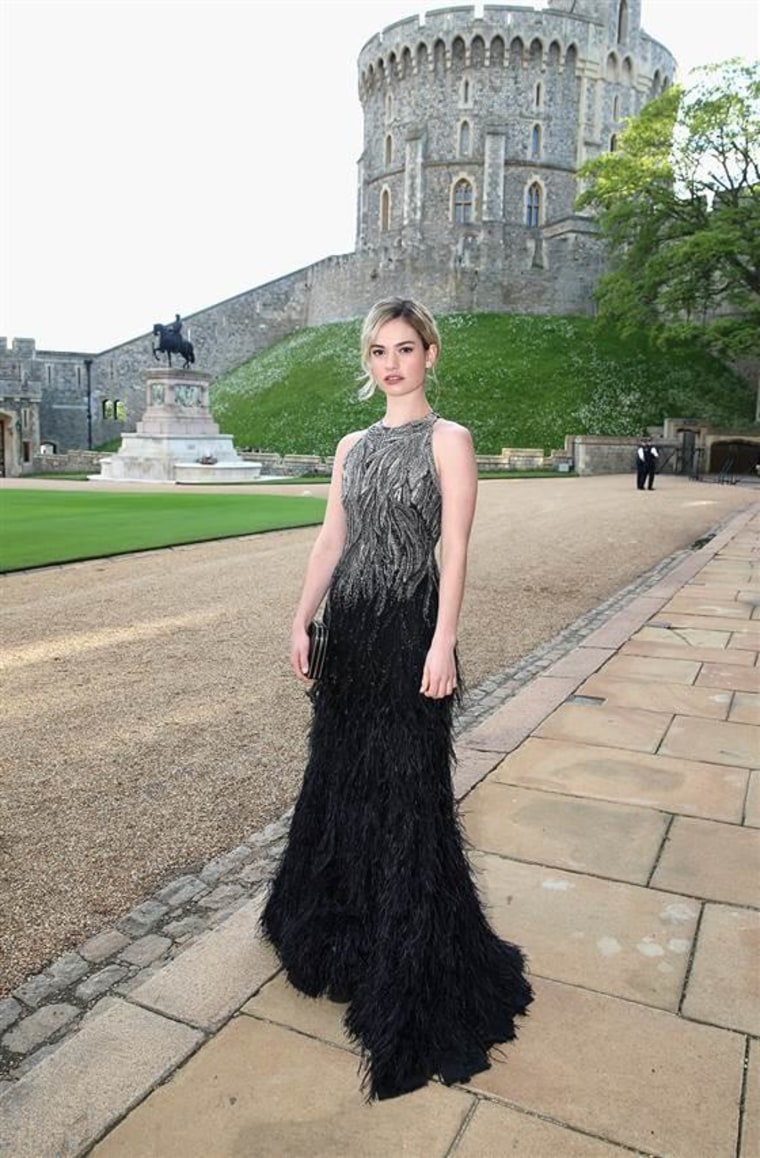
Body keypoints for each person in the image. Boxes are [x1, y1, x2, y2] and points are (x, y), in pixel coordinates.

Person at [261, 297, 533, 1101]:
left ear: (430, 354)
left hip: (411, 634)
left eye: (405, 349)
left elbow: (455, 547)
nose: (390, 364)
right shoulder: (351, 445)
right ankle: (346, 928)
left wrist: (445, 638)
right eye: (378, 350)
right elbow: (330, 540)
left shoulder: (451, 442)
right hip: (350, 637)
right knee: (341, 783)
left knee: (410, 792)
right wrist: (302, 618)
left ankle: (408, 949)